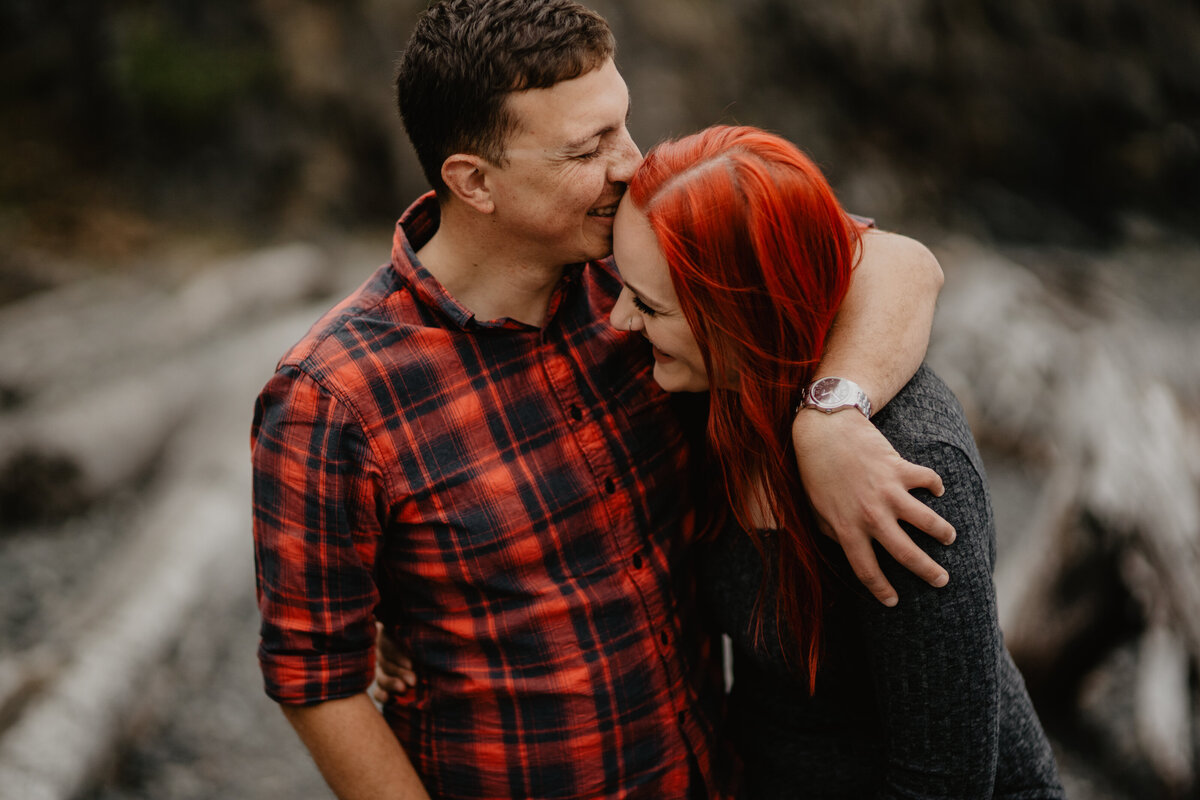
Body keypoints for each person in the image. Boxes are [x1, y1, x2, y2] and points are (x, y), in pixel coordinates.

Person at [251, 2, 950, 798]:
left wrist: (831, 414)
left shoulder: (642, 271)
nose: (632, 163)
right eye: (589, 149)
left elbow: (895, 261)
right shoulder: (333, 400)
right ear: (473, 181)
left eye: (624, 124)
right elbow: (318, 682)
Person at [606, 124, 1065, 798]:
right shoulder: (711, 395)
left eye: (647, 304)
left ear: (742, 315)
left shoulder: (909, 469)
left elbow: (945, 780)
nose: (618, 320)